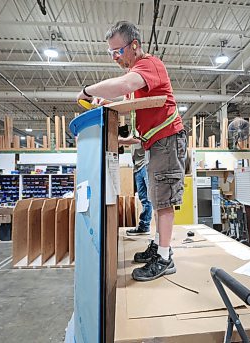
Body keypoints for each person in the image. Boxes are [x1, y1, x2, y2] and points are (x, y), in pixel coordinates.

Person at [77, 20, 186, 282]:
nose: (115, 57)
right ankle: (160, 245)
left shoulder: (149, 65)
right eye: (111, 52)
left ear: (134, 45)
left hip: (168, 140)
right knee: (157, 198)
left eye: (118, 50)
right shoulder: (138, 78)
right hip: (154, 142)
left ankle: (164, 257)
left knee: (163, 200)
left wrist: (87, 91)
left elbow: (123, 86)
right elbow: (132, 105)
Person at [119, 137, 152, 236]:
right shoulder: (133, 130)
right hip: (137, 167)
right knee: (144, 199)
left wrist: (119, 140)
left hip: (146, 165)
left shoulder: (141, 128)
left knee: (152, 198)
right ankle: (144, 226)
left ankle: (160, 235)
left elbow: (138, 140)